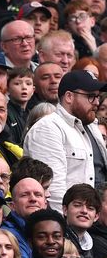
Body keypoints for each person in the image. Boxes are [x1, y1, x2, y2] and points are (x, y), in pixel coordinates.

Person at [24, 70, 107, 211]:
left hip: (96, 218)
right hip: (71, 222)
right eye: (91, 96)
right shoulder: (48, 129)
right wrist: (65, 229)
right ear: (69, 97)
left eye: (98, 97)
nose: (97, 103)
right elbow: (53, 188)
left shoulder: (92, 127)